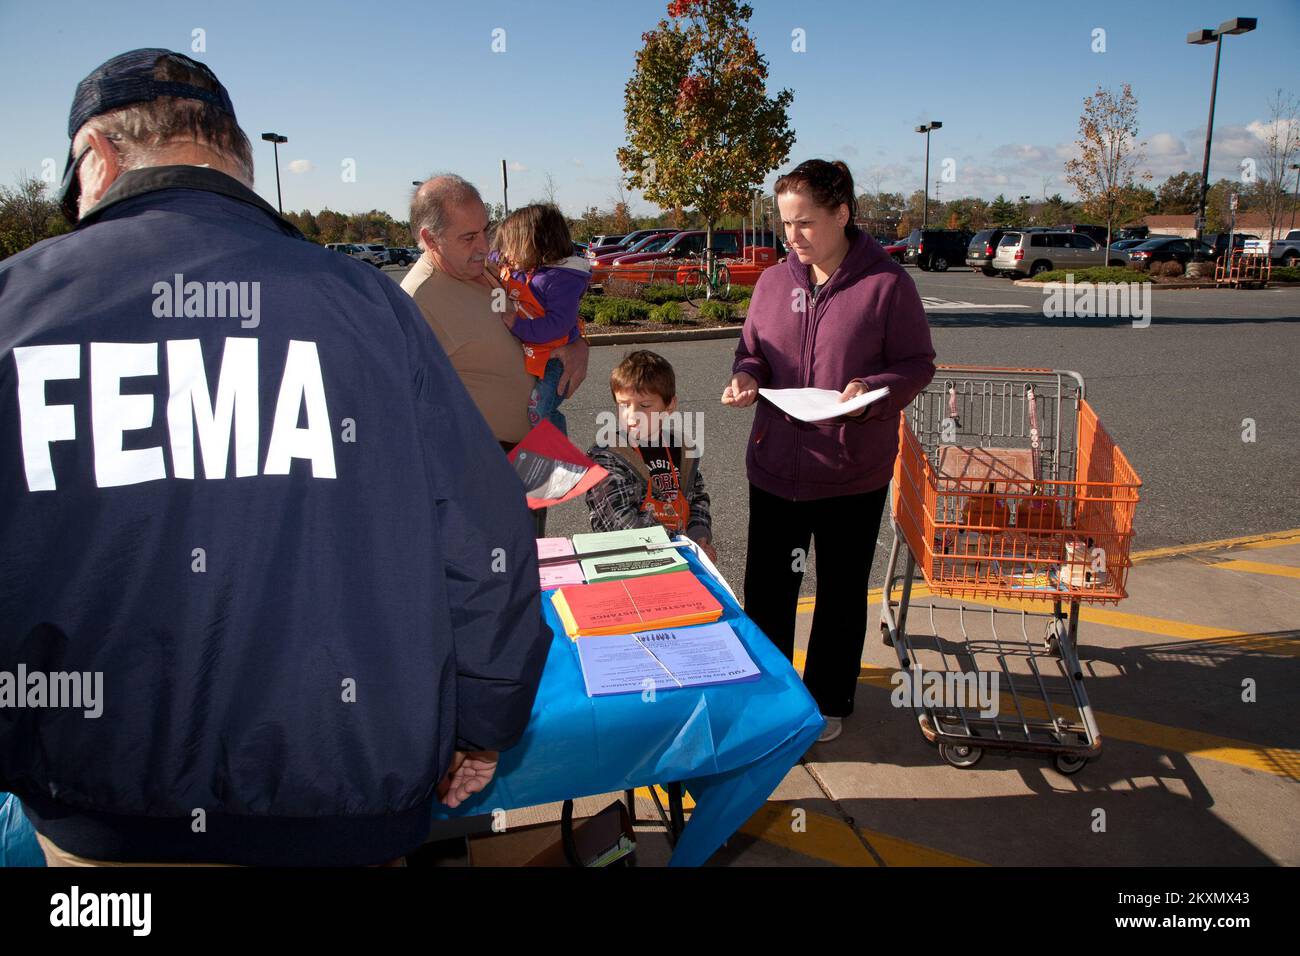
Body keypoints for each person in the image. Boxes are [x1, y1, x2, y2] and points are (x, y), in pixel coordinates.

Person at [0, 48, 551, 866]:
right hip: (338, 801)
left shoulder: (16, 312)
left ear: (100, 156)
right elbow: (485, 543)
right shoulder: (366, 310)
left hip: (101, 813)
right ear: (237, 160)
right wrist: (483, 722)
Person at [721, 159, 935, 743]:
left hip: (851, 472)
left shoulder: (887, 284)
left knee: (840, 593)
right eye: (785, 224)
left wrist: (871, 391)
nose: (792, 238)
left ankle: (829, 699)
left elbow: (918, 366)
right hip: (774, 467)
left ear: (842, 214)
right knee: (768, 592)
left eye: (805, 223)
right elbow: (752, 351)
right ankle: (769, 699)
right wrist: (744, 376)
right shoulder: (772, 283)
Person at [402, 177, 590, 451]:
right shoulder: (417, 300)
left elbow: (547, 313)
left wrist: (578, 344)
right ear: (431, 239)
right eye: (468, 237)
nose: (485, 246)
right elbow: (400, 406)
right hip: (481, 465)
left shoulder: (485, 269)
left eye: (485, 231)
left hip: (526, 460)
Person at [586, 350, 716, 562]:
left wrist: (699, 536)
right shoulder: (608, 456)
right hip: (629, 562)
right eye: (624, 405)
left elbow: (697, 497)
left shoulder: (683, 450)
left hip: (680, 554)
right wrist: (681, 544)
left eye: (645, 405)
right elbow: (620, 522)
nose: (632, 415)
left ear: (669, 405)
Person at [492, 204, 592, 436]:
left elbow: (559, 325)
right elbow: (493, 255)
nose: (506, 253)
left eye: (512, 245)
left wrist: (518, 326)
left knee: (540, 411)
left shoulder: (561, 279)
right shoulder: (527, 269)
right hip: (539, 352)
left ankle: (561, 458)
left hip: (555, 361)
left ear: (534, 243)